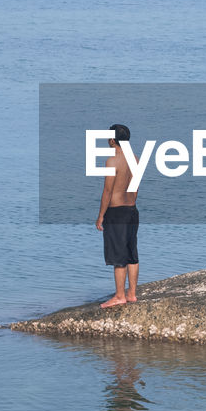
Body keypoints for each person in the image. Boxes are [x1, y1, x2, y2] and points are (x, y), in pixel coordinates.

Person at [95, 122, 139, 308]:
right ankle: (132, 294)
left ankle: (120, 295)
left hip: (117, 212)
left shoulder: (112, 161)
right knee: (131, 254)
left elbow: (107, 191)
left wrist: (101, 216)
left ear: (113, 140)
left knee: (118, 256)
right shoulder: (136, 159)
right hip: (132, 210)